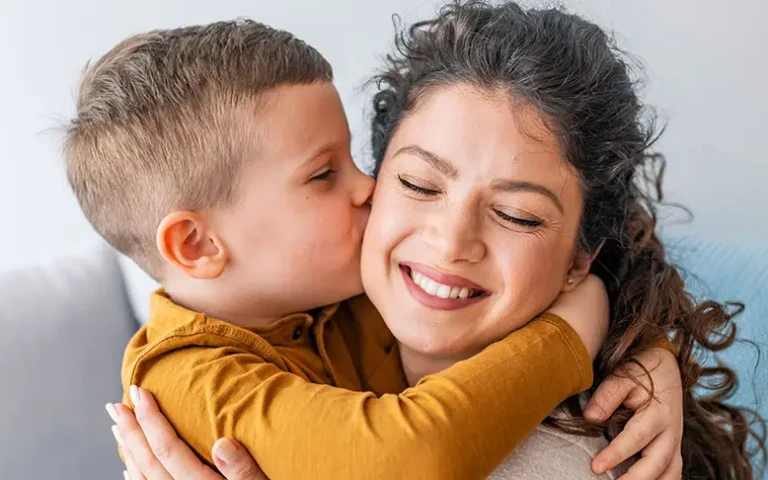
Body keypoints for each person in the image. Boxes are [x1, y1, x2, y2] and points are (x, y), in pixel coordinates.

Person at [108, 2, 767, 479]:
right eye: (419, 184)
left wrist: (623, 337)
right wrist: (595, 322)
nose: (451, 243)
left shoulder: (569, 461)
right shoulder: (270, 320)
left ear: (579, 256)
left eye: (518, 215)